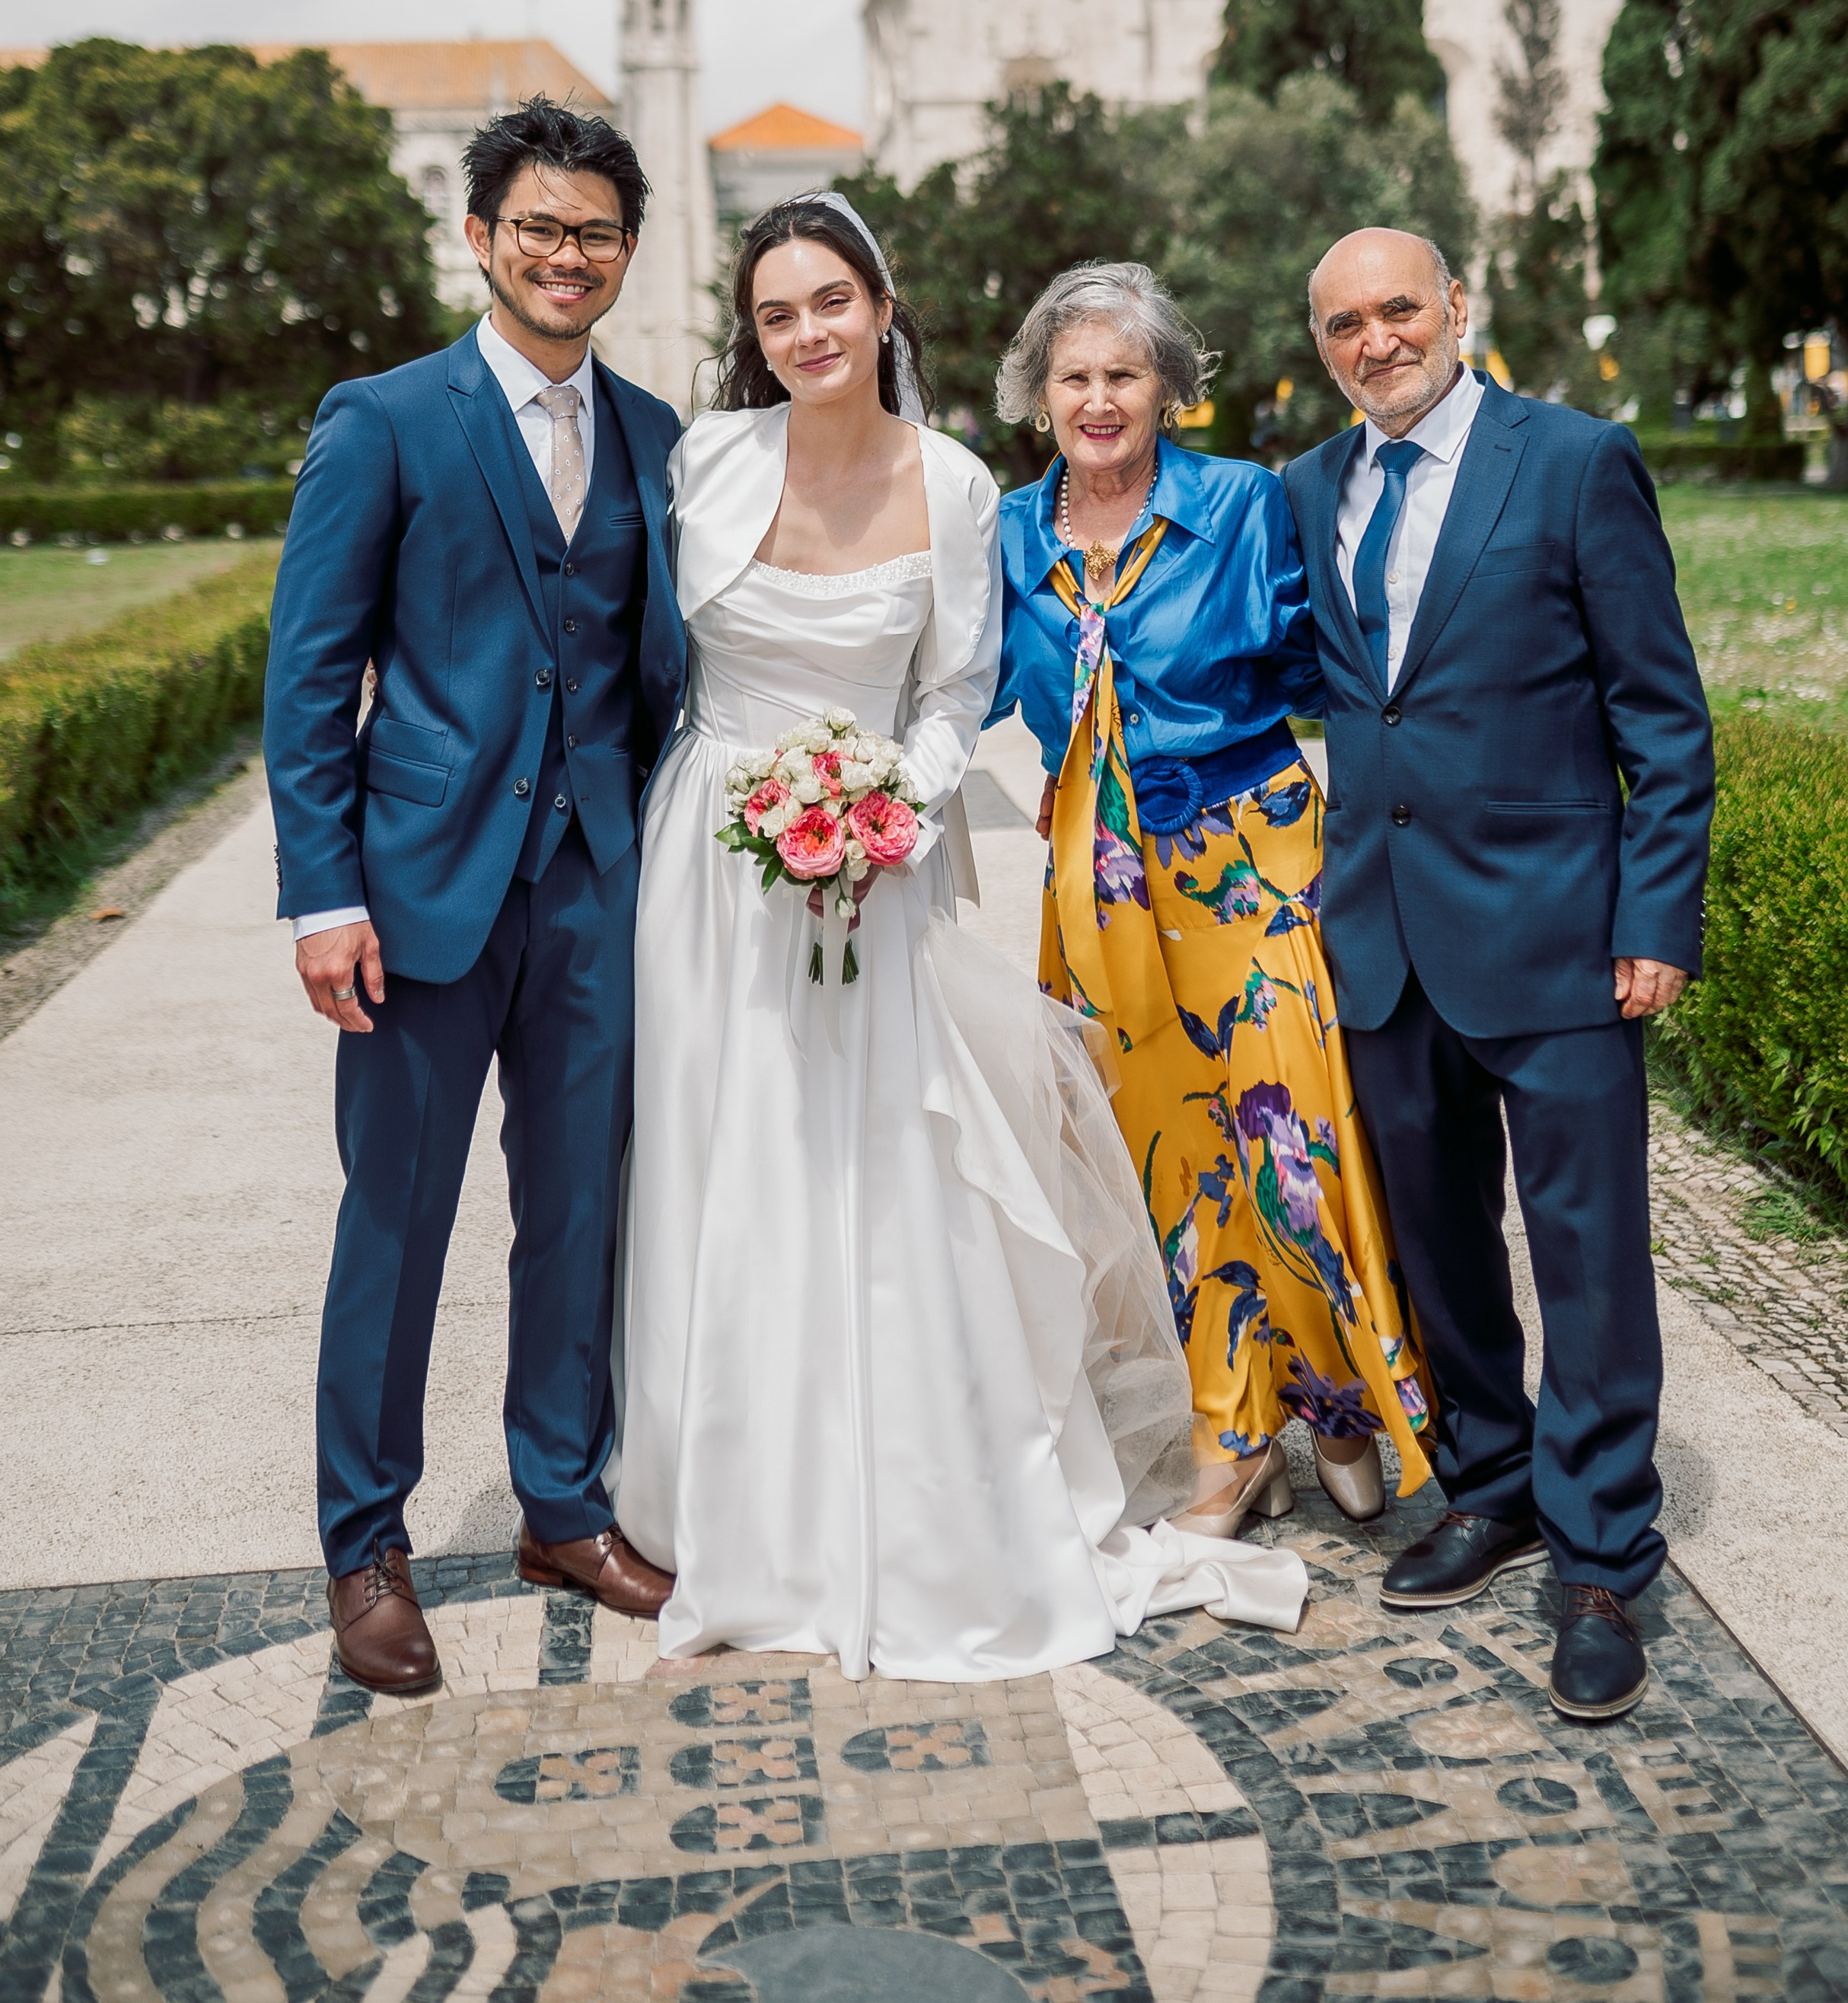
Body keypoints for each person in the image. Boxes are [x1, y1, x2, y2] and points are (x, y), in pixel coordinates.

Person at [608, 196, 1309, 1677]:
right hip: (710, 868)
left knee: (884, 1166)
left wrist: (884, 810)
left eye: (832, 300)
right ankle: (722, 1493)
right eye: (777, 311)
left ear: (881, 308)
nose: (807, 331)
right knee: (718, 1156)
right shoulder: (701, 461)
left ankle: (916, 1489)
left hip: (874, 865)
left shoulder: (953, 484)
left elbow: (953, 692)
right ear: (752, 334)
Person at [265, 97, 688, 1697]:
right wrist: (322, 896)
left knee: (577, 1214)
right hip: (420, 893)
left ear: (626, 252)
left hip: (596, 891)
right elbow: (310, 675)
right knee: (397, 1222)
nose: (566, 255)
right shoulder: (382, 419)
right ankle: (363, 1545)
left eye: (594, 233)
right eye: (538, 228)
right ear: (481, 236)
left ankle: (560, 1506)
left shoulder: (655, 432)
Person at [1284, 227, 1714, 1724]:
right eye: (1344, 324)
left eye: (1399, 309)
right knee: (1436, 1240)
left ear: (1456, 307)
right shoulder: (1307, 488)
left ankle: (1599, 1559)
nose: (1376, 341)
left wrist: (1653, 918)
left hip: (1558, 933)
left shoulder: (1576, 462)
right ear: (1321, 345)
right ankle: (1492, 1479)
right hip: (1383, 937)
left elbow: (1662, 719)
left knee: (1586, 1251)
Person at [990, 263, 1435, 1538]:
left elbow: (1330, 665)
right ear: (1040, 395)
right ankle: (1232, 1437)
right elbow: (957, 683)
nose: (1099, 400)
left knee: (1298, 1147)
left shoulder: (1241, 503)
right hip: (1101, 878)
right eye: (1075, 376)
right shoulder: (1009, 532)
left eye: (1125, 375)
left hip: (1251, 859)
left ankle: (1339, 1404)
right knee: (1172, 1171)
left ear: (1169, 390)